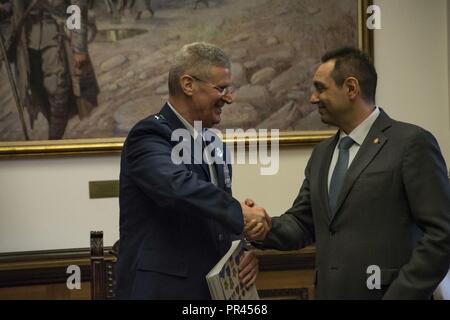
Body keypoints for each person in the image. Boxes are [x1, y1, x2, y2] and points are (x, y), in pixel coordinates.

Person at [244, 47, 450, 299]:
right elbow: (302, 223)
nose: (312, 98)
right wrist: (264, 227)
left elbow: (442, 234)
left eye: (320, 88)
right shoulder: (322, 154)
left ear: (351, 88)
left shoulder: (411, 143)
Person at [116, 42, 268, 299]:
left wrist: (242, 250)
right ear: (188, 85)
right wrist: (239, 212)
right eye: (221, 89)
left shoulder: (213, 142)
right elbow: (177, 187)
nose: (229, 98)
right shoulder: (149, 134)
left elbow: (211, 210)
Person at [6, 0, 98, 140]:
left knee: (58, 91)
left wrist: (79, 47)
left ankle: (54, 142)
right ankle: (53, 135)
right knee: (37, 90)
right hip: (27, 40)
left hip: (57, 34)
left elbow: (77, 6)